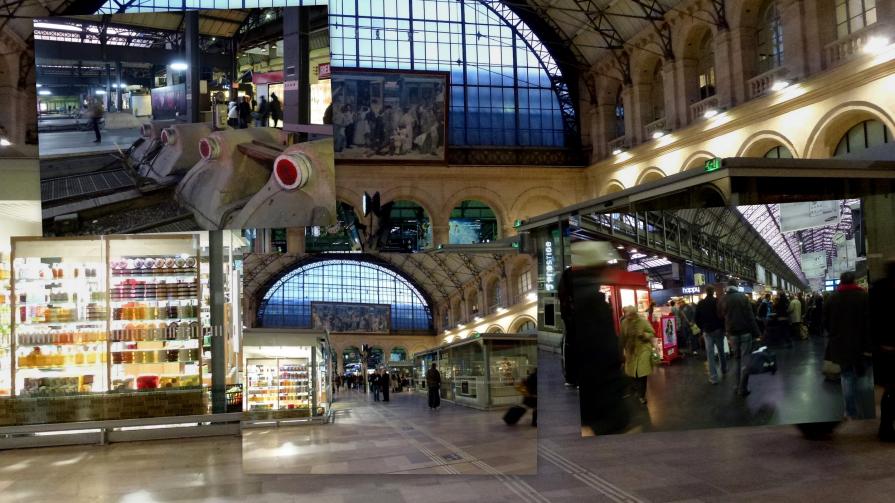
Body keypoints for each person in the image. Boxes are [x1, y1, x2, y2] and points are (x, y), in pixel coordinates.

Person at [825, 271, 874, 420]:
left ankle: (850, 412)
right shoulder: (864, 297)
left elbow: (826, 323)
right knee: (863, 376)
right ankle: (867, 411)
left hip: (841, 346)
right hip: (862, 345)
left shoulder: (832, 298)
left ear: (840, 281)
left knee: (846, 377)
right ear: (855, 281)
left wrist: (835, 336)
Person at [718, 284, 762, 397]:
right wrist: (757, 333)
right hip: (745, 333)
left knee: (736, 360)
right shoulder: (743, 297)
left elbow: (720, 316)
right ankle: (742, 388)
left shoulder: (723, 299)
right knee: (745, 360)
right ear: (736, 287)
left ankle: (736, 386)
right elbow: (750, 317)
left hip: (732, 334)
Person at [871, 261, 895, 440]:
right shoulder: (884, 290)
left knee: (890, 389)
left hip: (883, 348)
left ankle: (886, 427)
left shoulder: (876, 289)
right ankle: (886, 429)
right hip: (889, 346)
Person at [620, 305, 656, 405]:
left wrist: (644, 335)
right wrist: (621, 350)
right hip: (630, 350)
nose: (628, 317)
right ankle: (636, 390)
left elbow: (652, 332)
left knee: (642, 374)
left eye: (630, 315)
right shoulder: (624, 322)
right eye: (626, 314)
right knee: (632, 374)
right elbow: (622, 337)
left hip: (643, 349)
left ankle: (641, 396)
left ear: (634, 314)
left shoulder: (642, 321)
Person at [696, 285, 727, 384]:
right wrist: (723, 328)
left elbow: (696, 318)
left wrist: (702, 328)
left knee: (710, 355)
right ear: (713, 292)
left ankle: (713, 378)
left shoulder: (701, 303)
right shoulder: (718, 301)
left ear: (706, 292)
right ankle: (724, 369)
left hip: (707, 331)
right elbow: (723, 315)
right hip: (718, 330)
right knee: (721, 350)